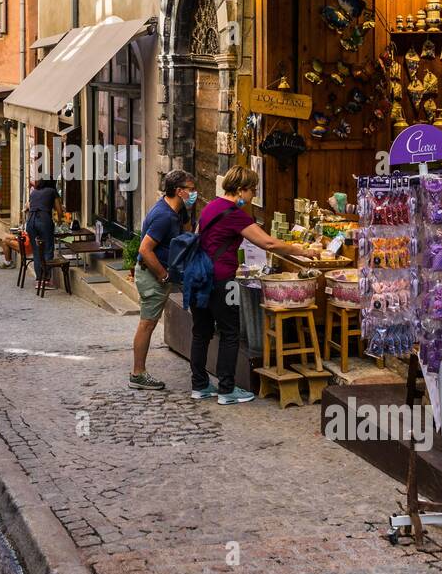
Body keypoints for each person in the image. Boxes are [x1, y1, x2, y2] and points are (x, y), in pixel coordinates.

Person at [190, 165, 309, 405]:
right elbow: (268, 243)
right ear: (242, 190)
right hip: (223, 280)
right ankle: (226, 389)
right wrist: (301, 250)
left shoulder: (210, 207)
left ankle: (200, 385)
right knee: (230, 331)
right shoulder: (234, 213)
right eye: (252, 191)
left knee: (201, 332)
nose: (253, 196)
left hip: (198, 278)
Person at [128, 169, 197, 391]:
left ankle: (139, 372)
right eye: (191, 190)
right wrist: (164, 276)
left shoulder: (175, 210)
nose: (194, 193)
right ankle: (138, 373)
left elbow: (184, 235)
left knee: (148, 322)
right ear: (179, 191)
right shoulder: (164, 216)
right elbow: (145, 250)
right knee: (147, 323)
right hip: (152, 275)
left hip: (161, 272)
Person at [24, 178, 61, 292]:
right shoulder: (52, 191)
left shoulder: (34, 192)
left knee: (36, 250)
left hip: (31, 220)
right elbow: (59, 209)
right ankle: (46, 280)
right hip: (44, 219)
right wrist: (59, 220)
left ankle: (39, 280)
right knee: (48, 249)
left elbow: (28, 206)